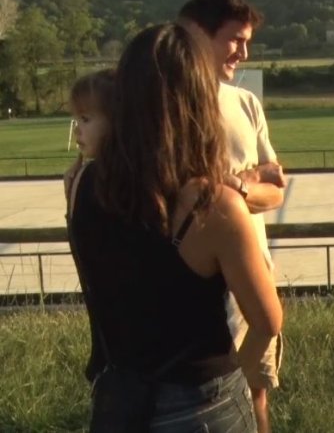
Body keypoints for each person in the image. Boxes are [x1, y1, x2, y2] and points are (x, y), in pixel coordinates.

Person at [66, 23, 283, 432]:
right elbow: (268, 321)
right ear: (199, 99)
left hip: (120, 397)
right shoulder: (214, 205)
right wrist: (239, 376)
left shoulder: (81, 185)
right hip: (203, 403)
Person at [178, 0, 284, 433]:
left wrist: (233, 189)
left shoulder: (245, 102)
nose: (244, 51)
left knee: (255, 392)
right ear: (196, 35)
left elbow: (276, 188)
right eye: (234, 39)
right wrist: (249, 183)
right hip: (193, 289)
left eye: (247, 40)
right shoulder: (167, 105)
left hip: (251, 274)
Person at [63, 69, 115, 199]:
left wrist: (74, 195)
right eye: (76, 120)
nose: (76, 130)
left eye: (85, 119)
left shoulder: (91, 180)